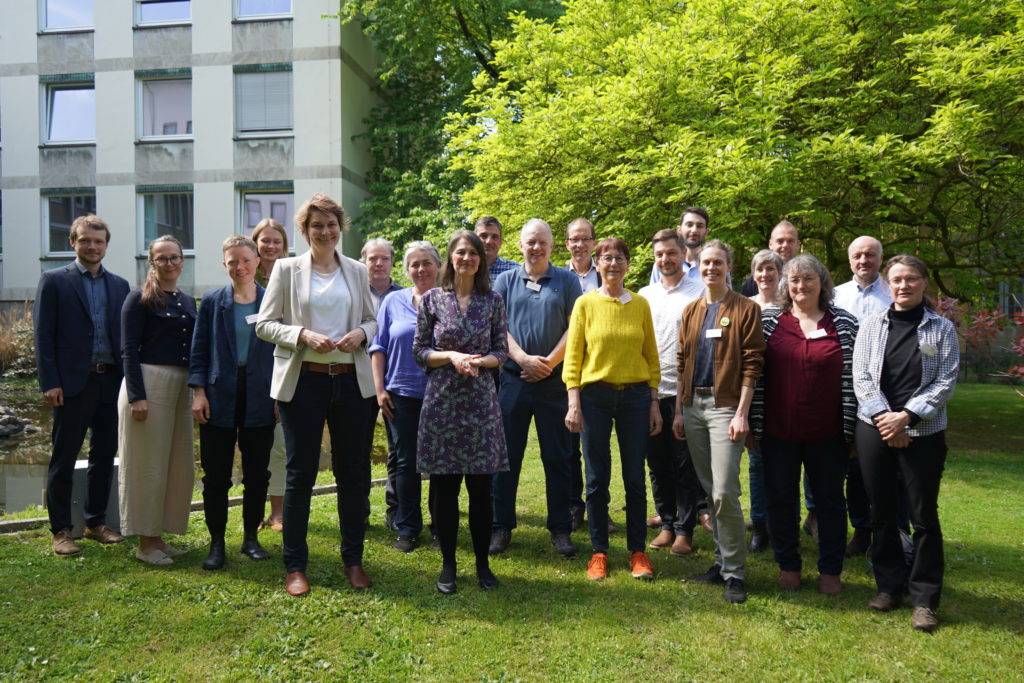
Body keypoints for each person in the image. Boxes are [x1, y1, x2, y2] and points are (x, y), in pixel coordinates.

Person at [256, 193, 378, 597]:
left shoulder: (357, 271)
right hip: (304, 381)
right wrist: (300, 334)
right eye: (316, 226)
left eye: (330, 225)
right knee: (300, 474)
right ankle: (295, 566)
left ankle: (353, 560)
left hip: (350, 382)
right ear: (305, 231)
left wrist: (362, 333)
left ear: (340, 228)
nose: (325, 232)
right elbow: (265, 324)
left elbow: (372, 321)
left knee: (354, 474)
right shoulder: (287, 270)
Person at [854, 254, 958, 633]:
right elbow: (861, 377)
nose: (904, 285)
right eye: (896, 279)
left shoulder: (942, 329)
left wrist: (907, 417)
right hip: (875, 430)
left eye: (911, 279)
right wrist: (887, 420)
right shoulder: (871, 325)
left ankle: (925, 599)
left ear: (924, 283)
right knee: (881, 512)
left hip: (924, 434)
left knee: (923, 517)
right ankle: (888, 587)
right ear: (888, 284)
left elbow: (945, 381)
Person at [750, 254, 859, 595]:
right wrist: (752, 424)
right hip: (778, 432)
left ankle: (830, 569)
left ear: (822, 283)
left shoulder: (845, 323)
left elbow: (859, 377)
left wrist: (855, 428)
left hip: (829, 434)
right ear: (786, 285)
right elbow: (752, 372)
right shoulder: (769, 322)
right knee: (780, 500)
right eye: (794, 280)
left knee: (829, 503)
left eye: (808, 279)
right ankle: (789, 565)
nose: (801, 286)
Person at [413, 230, 509, 594]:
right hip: (442, 402)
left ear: (481, 260)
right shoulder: (432, 299)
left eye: (473, 253)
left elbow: (501, 350)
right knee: (445, 486)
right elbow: (420, 351)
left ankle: (483, 565)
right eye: (460, 252)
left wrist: (479, 362)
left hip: (481, 401)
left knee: (481, 488)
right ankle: (449, 564)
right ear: (450, 258)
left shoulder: (493, 300)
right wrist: (451, 357)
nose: (466, 258)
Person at [563, 238, 662, 582]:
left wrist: (653, 403)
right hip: (594, 398)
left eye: (619, 258)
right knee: (596, 478)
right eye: (607, 258)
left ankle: (638, 551)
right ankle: (599, 552)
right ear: (598, 263)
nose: (613, 264)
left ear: (628, 264)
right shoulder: (584, 304)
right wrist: (574, 403)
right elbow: (573, 357)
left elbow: (651, 356)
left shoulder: (640, 304)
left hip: (635, 398)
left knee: (634, 477)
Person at [672, 239, 764, 603]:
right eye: (706, 263)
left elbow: (754, 363)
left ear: (729, 267)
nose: (711, 268)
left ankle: (735, 574)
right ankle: (721, 563)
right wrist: (680, 410)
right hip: (694, 406)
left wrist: (742, 412)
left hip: (727, 408)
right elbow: (681, 361)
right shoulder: (692, 311)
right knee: (709, 491)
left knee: (726, 490)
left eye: (718, 263)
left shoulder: (746, 309)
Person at [33, 214, 130, 555]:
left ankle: (95, 523)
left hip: (110, 381)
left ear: (106, 245)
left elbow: (125, 340)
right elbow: (43, 336)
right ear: (72, 242)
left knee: (104, 456)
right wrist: (50, 381)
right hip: (73, 384)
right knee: (63, 457)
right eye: (86, 240)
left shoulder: (119, 285)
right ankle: (61, 530)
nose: (92, 246)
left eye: (99, 241)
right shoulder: (54, 281)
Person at [490, 219, 582, 558]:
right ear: (520, 245)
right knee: (506, 456)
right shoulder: (505, 280)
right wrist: (523, 359)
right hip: (514, 379)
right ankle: (501, 526)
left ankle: (560, 528)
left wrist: (549, 363)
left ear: (552, 246)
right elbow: (496, 326)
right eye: (531, 242)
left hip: (554, 382)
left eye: (542, 242)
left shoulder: (567, 280)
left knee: (558, 457)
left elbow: (576, 327)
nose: (536, 247)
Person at [189, 235, 276, 570]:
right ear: (223, 264)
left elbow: (283, 353)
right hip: (218, 395)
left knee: (257, 474)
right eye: (232, 261)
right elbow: (199, 350)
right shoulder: (212, 301)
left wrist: (280, 396)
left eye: (245, 260)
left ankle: (250, 539)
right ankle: (216, 543)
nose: (239, 267)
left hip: (260, 396)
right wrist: (198, 391)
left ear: (257, 261)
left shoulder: (272, 301)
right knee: (216, 476)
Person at [118, 235, 197, 565]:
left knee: (175, 465)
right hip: (149, 385)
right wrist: (137, 396)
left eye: (174, 257)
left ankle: (160, 535)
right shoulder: (138, 298)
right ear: (152, 262)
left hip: (181, 386)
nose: (169, 263)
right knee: (147, 466)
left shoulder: (187, 300)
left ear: (182, 260)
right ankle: (145, 543)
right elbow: (129, 349)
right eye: (162, 258)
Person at [369, 240, 441, 552]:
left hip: (443, 394)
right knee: (406, 463)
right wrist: (379, 389)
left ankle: (441, 526)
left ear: (438, 266)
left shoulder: (450, 300)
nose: (421, 269)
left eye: (427, 263)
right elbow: (379, 346)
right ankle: (408, 527)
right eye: (415, 264)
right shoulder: (393, 302)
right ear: (406, 269)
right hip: (401, 392)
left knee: (441, 464)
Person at [638, 230, 705, 557]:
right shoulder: (644, 295)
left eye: (671, 253)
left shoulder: (699, 292)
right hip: (651, 390)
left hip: (685, 392)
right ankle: (666, 522)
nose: (665, 259)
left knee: (685, 464)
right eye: (660, 254)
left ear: (683, 254)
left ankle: (684, 530)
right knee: (657, 462)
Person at [833, 235, 896, 557]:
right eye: (857, 255)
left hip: (891, 391)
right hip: (846, 391)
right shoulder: (836, 295)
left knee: (890, 469)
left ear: (880, 259)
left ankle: (894, 532)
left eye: (870, 255)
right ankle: (861, 530)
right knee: (854, 468)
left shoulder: (894, 291)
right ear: (849, 260)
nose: (863, 261)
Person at [360, 237, 403, 532]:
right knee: (357, 450)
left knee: (396, 450)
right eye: (373, 258)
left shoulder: (403, 295)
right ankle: (358, 510)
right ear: (364, 262)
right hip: (356, 381)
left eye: (384, 258)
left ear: (392, 262)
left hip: (394, 384)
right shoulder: (353, 293)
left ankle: (396, 509)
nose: (378, 264)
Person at [745, 249, 784, 553]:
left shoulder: (790, 308)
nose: (766, 275)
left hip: (785, 395)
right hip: (753, 397)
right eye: (760, 269)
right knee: (757, 464)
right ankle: (759, 526)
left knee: (784, 466)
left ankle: (784, 523)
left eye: (771, 269)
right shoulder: (745, 308)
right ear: (753, 274)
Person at [251, 218, 288, 532]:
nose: (271, 247)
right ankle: (252, 512)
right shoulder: (246, 280)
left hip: (281, 376)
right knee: (252, 449)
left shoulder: (292, 279)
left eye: (277, 241)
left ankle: (277, 513)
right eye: (265, 241)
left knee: (280, 447)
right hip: (249, 378)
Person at [649, 206, 710, 285]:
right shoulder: (662, 264)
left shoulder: (714, 265)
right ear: (679, 230)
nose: (694, 230)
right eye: (689, 225)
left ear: (706, 232)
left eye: (699, 226)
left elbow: (726, 295)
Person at [740, 221, 801, 296]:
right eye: (780, 241)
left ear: (798, 245)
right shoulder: (755, 281)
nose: (785, 245)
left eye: (790, 241)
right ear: (770, 244)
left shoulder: (807, 276)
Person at [474, 216, 519, 283]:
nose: (489, 241)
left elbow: (535, 289)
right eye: (483, 236)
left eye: (495, 237)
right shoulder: (466, 268)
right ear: (474, 239)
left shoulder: (515, 271)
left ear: (501, 242)